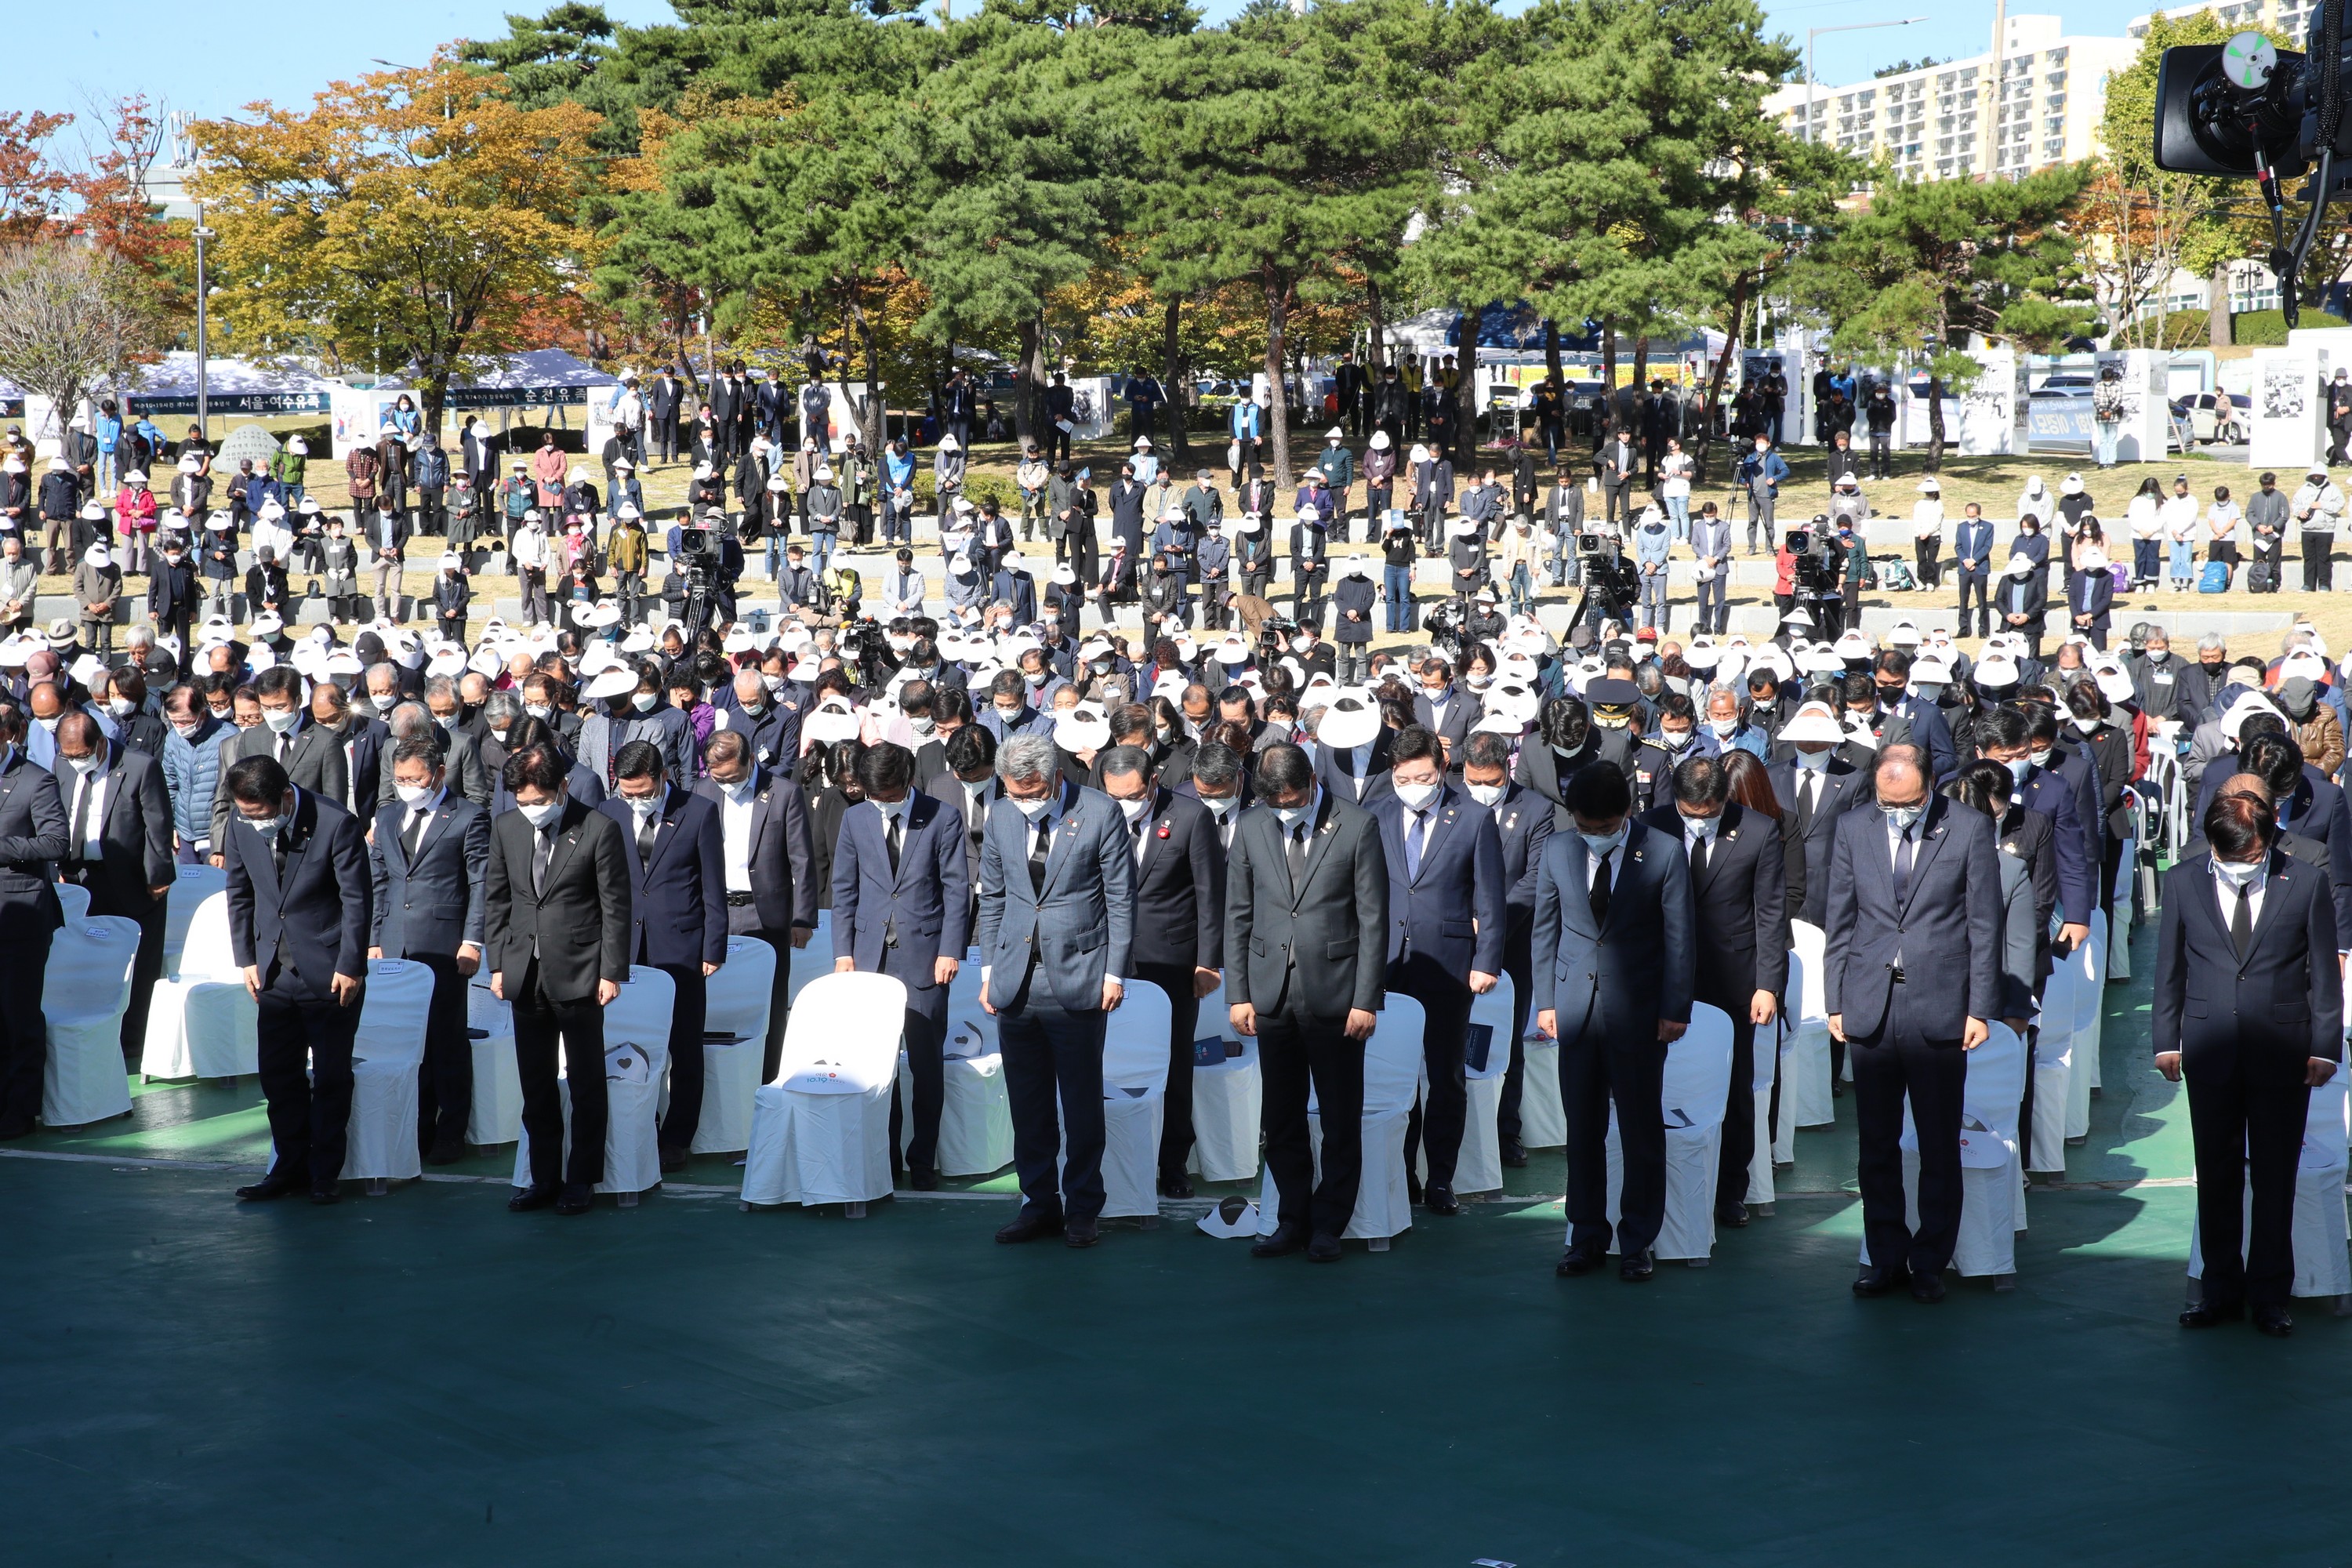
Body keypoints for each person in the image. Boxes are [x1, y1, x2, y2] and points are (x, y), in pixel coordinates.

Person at [2156, 791, 2342, 1336]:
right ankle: (2218, 1290)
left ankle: (2269, 1295)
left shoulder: (2305, 882)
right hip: (2210, 1048)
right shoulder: (2183, 880)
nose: (2242, 867)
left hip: (2284, 1052)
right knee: (2215, 1174)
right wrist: (2166, 1039)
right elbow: (2169, 965)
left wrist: (2325, 1045)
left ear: (2268, 840)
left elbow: (2324, 977)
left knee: (2275, 1176)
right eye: (2230, 858)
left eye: (2252, 856)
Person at [1825, 749, 2000, 1302]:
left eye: (1909, 803)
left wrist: (1980, 1007)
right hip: (1871, 1004)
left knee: (1937, 1144)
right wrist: (1835, 1001)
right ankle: (1885, 1258)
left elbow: (1984, 922)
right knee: (1875, 1143)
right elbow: (1841, 916)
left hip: (1942, 1005)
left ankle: (1930, 1259)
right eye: (1886, 803)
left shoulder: (1968, 827)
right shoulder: (1853, 827)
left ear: (1929, 789)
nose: (1896, 812)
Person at [1533, 755, 1694, 1281]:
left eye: (1603, 829)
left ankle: (1637, 1240)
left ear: (1627, 812)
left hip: (1641, 1014)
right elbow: (1545, 929)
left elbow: (1679, 936)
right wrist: (1546, 1002)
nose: (1593, 836)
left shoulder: (1665, 853)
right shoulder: (1558, 848)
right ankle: (1585, 1235)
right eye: (1584, 826)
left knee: (1641, 1129)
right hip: (1576, 1010)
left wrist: (1675, 1009)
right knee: (1582, 1129)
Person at [1225, 742, 1387, 1261]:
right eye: (1275, 802)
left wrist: (1367, 998)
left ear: (1312, 784)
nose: (1284, 810)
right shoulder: (1251, 826)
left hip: (1337, 995)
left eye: (1292, 799)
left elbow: (1373, 920)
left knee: (1340, 1118)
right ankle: (1290, 1219)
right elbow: (1238, 913)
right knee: (1282, 1116)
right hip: (1271, 994)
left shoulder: (1357, 825)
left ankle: (1328, 1224)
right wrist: (1238, 994)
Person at [974, 733, 1134, 1249]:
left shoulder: (1101, 812)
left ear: (1056, 777)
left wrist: (1114, 974)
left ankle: (1084, 1207)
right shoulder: (998, 815)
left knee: (1082, 1105)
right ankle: (1038, 1204)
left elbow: (1121, 899)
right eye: (1015, 792)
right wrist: (988, 972)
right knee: (1028, 1104)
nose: (1024, 800)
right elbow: (993, 896)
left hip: (1081, 977)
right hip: (1016, 981)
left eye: (1032, 791)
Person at [1636, 751, 1786, 1227]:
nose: (1700, 822)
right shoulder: (1650, 825)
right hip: (1661, 974)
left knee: (1734, 1085)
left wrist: (1768, 985)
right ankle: (1654, 1182)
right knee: (1654, 1080)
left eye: (1710, 814)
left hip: (1734, 978)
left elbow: (1770, 913)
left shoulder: (1759, 831)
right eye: (1690, 814)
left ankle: (1730, 1191)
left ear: (1725, 799)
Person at [487, 744, 633, 1214]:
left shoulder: (598, 829)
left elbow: (615, 907)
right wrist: (497, 964)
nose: (530, 810)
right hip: (524, 973)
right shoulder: (507, 828)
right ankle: (542, 1177)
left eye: (539, 800)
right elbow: (497, 900)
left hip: (580, 972)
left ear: (562, 787)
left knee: (587, 1081)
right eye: (522, 801)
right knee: (536, 1082)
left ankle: (582, 1178)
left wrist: (611, 971)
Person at [221, 756, 372, 1204]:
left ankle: (324, 1173)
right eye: (245, 813)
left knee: (329, 1077)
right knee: (278, 1076)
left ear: (285, 797)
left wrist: (351, 965)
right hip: (272, 970)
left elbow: (357, 901)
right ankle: (287, 1167)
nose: (253, 822)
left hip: (328, 972)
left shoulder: (335, 823)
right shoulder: (240, 820)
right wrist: (245, 957)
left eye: (260, 814)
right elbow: (238, 890)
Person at [1369, 722, 1504, 1212]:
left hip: (1449, 967)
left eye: (1422, 778)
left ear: (1442, 769)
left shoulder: (1472, 818)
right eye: (1403, 779)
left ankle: (1441, 1179)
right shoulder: (1375, 815)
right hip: (1385, 965)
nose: (1413, 788)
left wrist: (1487, 959)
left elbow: (1490, 897)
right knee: (1392, 1075)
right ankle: (1401, 1173)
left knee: (1445, 1076)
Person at [833, 740, 971, 1189]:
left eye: (888, 794)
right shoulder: (856, 817)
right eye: (873, 794)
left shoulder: (942, 816)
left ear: (907, 781)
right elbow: (845, 889)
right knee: (878, 1064)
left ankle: (923, 1157)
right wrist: (843, 952)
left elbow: (956, 890)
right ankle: (885, 1157)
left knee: (927, 1063)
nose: (880, 802)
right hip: (871, 958)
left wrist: (951, 950)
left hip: (926, 957)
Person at [1097, 745, 1224, 1199]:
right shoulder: (1094, 813)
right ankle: (1106, 1158)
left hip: (1171, 962)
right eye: (1113, 795)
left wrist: (1208, 962)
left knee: (1173, 1061)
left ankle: (1172, 1162)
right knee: (1104, 1059)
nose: (1122, 804)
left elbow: (1211, 895)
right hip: (1105, 959)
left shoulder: (1190, 816)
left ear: (1153, 782)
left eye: (1131, 795)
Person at [598, 740, 727, 1169]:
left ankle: (677, 1137)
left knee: (684, 1044)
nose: (635, 800)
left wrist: (713, 947)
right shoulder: (610, 812)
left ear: (663, 777)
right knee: (627, 1041)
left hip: (681, 946)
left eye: (642, 792)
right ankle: (637, 1126)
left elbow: (712, 886)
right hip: (625, 946)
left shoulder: (699, 811)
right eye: (627, 792)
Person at [366, 736, 490, 1166]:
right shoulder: (387, 817)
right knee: (405, 1039)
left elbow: (480, 884)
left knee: (446, 1039)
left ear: (437, 773)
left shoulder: (469, 817)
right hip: (396, 944)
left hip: (444, 945)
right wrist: (374, 938)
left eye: (414, 778)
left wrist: (472, 941)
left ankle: (451, 1129)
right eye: (399, 779)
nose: (406, 785)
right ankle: (415, 1127)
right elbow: (379, 880)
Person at [694, 730, 817, 1082]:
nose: (726, 784)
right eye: (719, 778)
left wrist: (802, 918)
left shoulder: (784, 794)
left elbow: (802, 861)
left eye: (732, 777)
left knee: (771, 1000)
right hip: (715, 910)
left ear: (750, 762)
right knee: (711, 994)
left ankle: (768, 1075)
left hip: (767, 914)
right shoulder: (703, 792)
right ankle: (715, 1078)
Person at [53, 711, 175, 1057]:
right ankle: (97, 1037)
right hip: (83, 878)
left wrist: (159, 876)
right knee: (90, 959)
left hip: (135, 880)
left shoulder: (140, 766)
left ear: (100, 744)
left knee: (137, 964)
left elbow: (158, 826)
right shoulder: (62, 765)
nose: (75, 762)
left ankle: (132, 1042)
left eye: (81, 755)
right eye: (69, 755)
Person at [0, 706, 65, 1138]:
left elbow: (56, 840)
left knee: (16, 1015)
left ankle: (19, 1111)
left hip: (19, 916)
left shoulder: (35, 780)